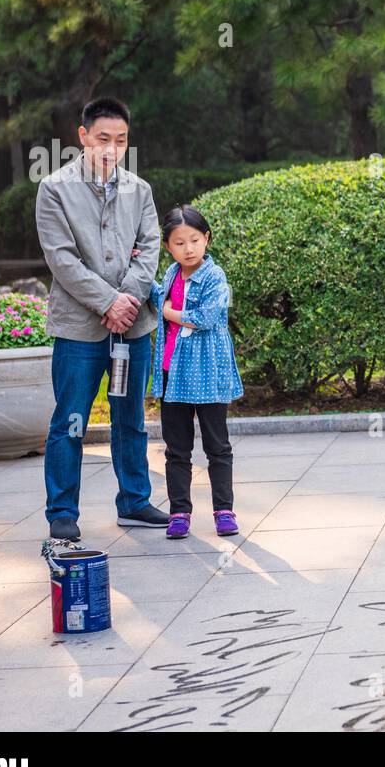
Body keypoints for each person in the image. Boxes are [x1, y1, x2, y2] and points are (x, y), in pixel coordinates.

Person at [36, 96, 168, 541]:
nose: (111, 149)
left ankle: (134, 500)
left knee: (129, 415)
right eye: (103, 139)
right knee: (70, 418)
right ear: (83, 137)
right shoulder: (54, 188)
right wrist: (107, 302)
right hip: (78, 329)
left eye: (121, 140)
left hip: (133, 327)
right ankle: (62, 511)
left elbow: (150, 248)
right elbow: (62, 260)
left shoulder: (140, 190)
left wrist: (125, 301)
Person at [149, 205, 244, 540]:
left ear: (206, 239)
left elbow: (205, 317)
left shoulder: (214, 276)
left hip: (206, 374)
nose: (188, 249)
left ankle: (224, 511)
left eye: (194, 240)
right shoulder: (170, 276)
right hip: (172, 373)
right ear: (168, 247)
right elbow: (155, 296)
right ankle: (179, 513)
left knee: (217, 446)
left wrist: (168, 312)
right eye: (178, 243)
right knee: (176, 450)